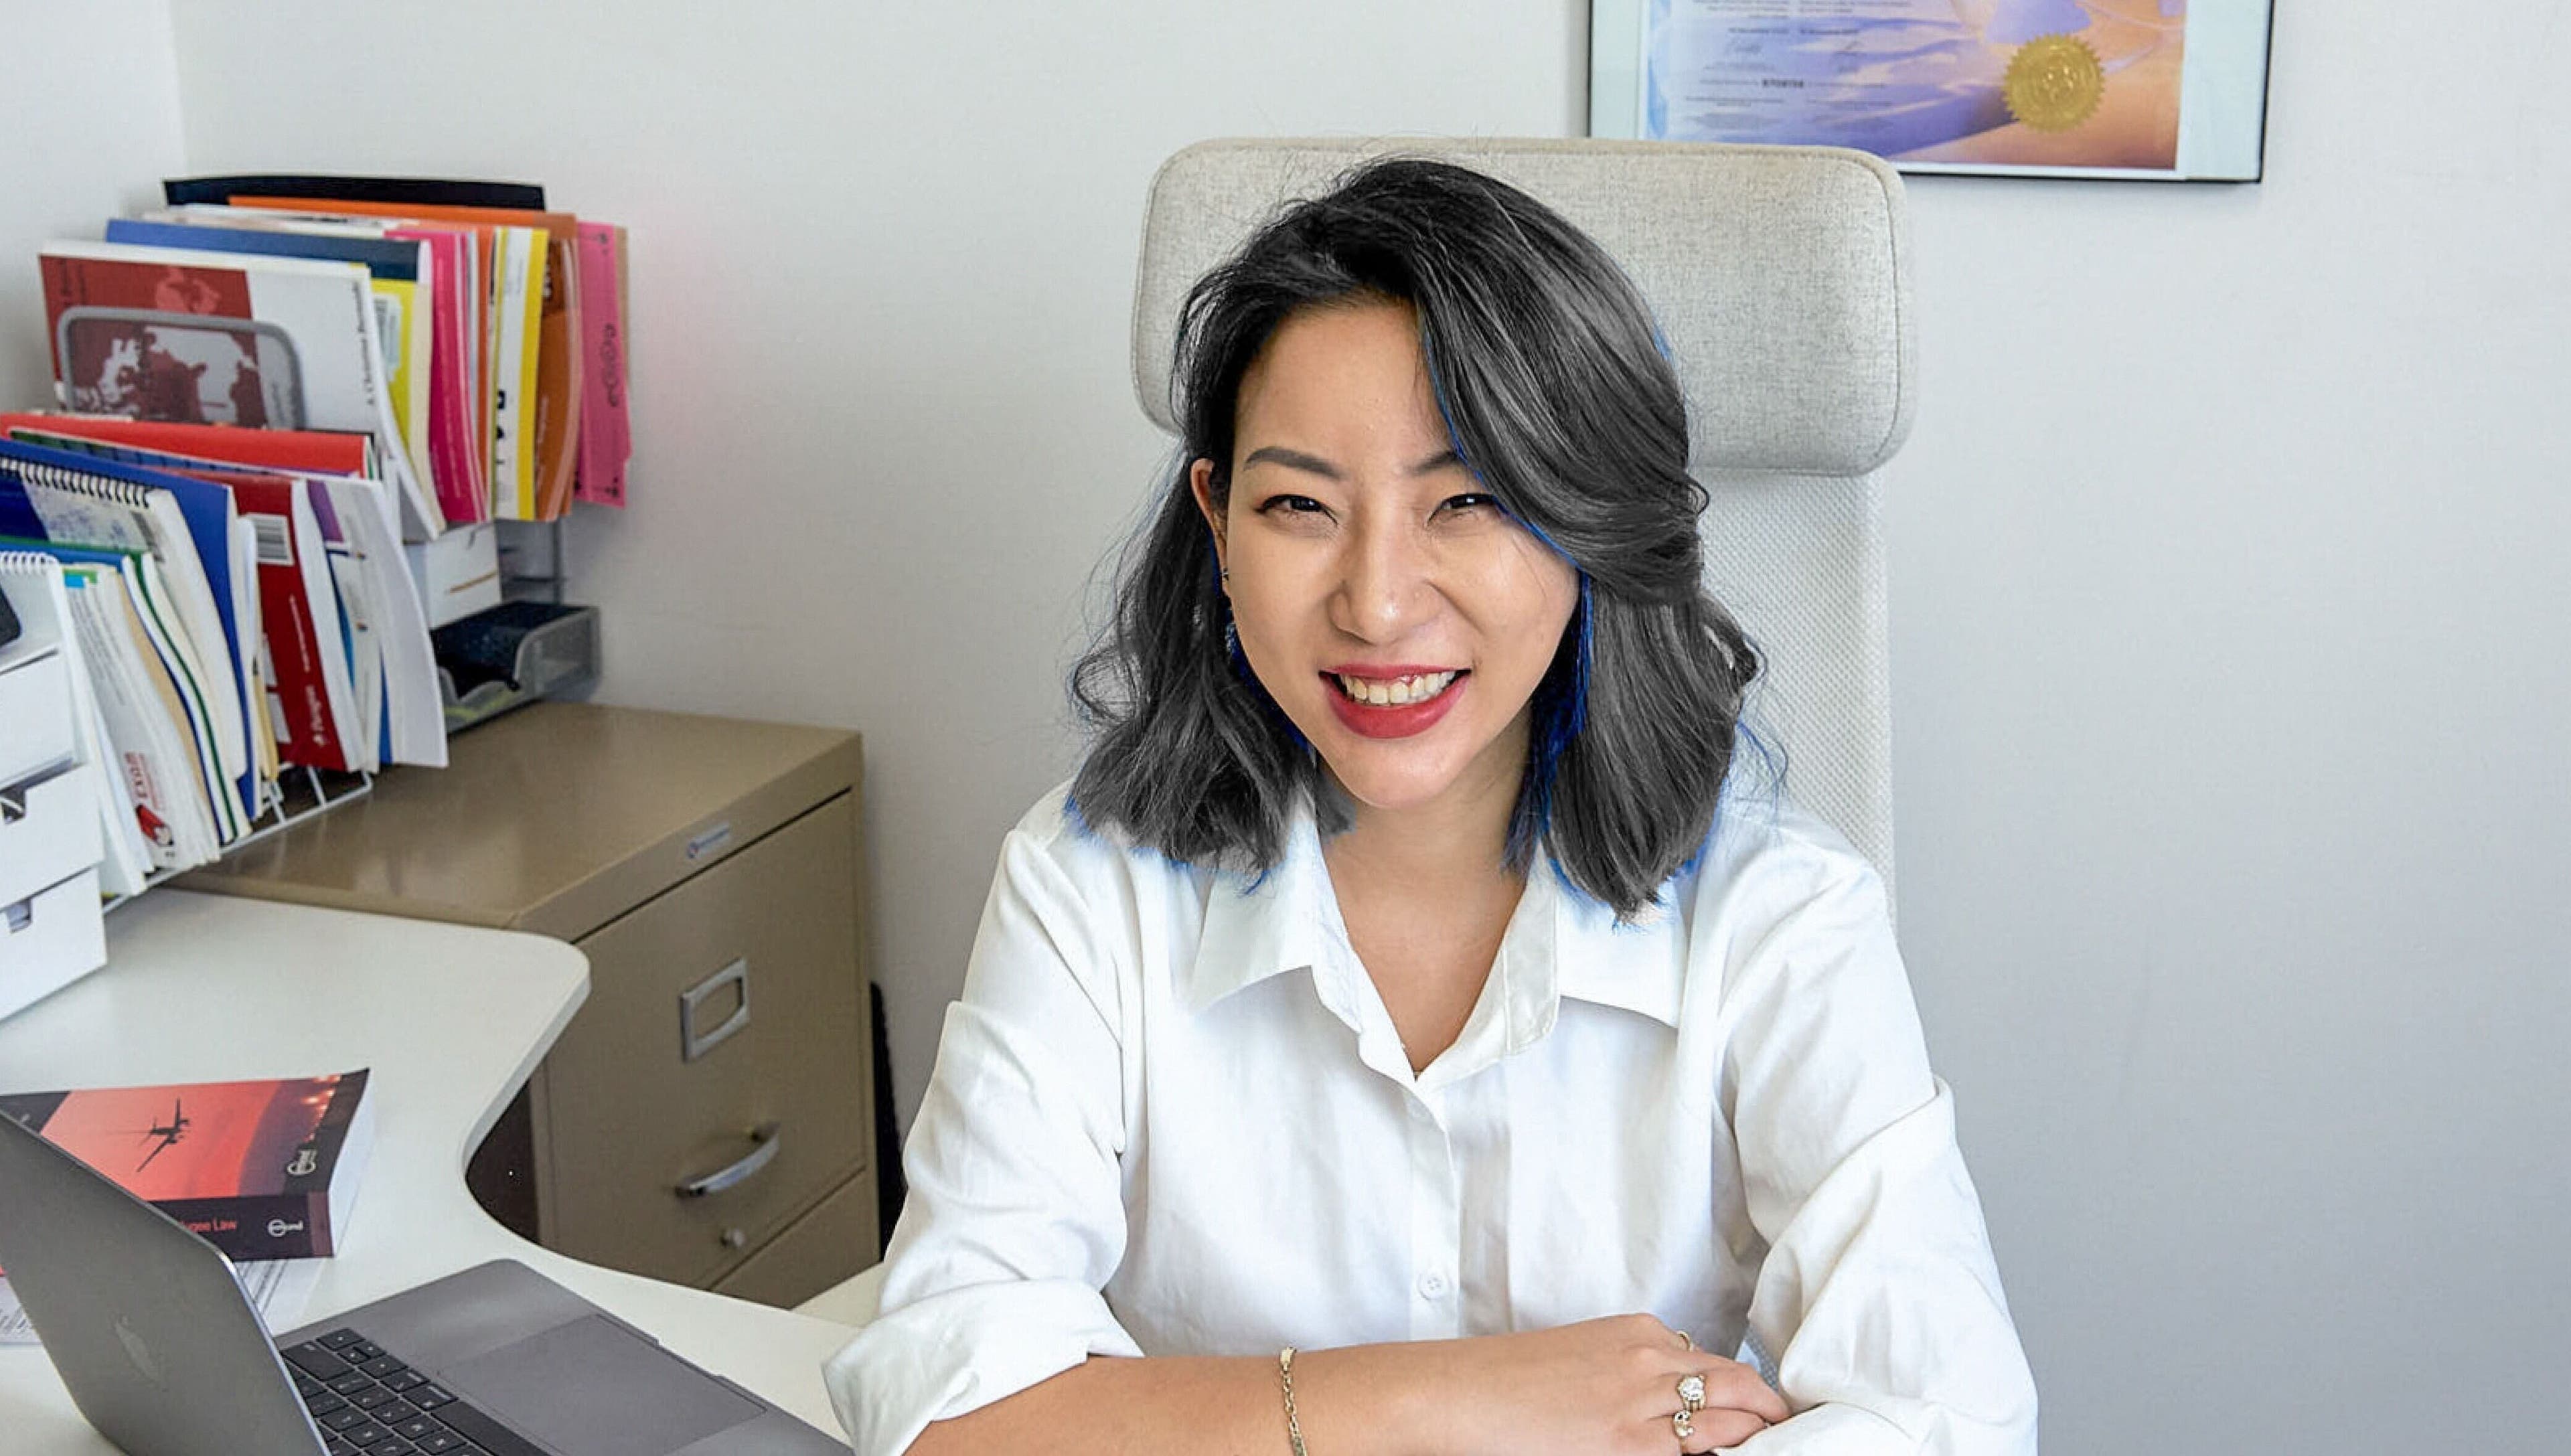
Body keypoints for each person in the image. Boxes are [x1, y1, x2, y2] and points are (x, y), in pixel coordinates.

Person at [826, 157, 2038, 1455]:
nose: (1379, 602)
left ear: (1590, 523)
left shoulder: (1784, 912)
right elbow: (948, 1400)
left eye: (1466, 499)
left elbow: (1947, 1418)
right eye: (1299, 504)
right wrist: (1447, 1395)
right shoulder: (1089, 880)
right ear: (1218, 522)